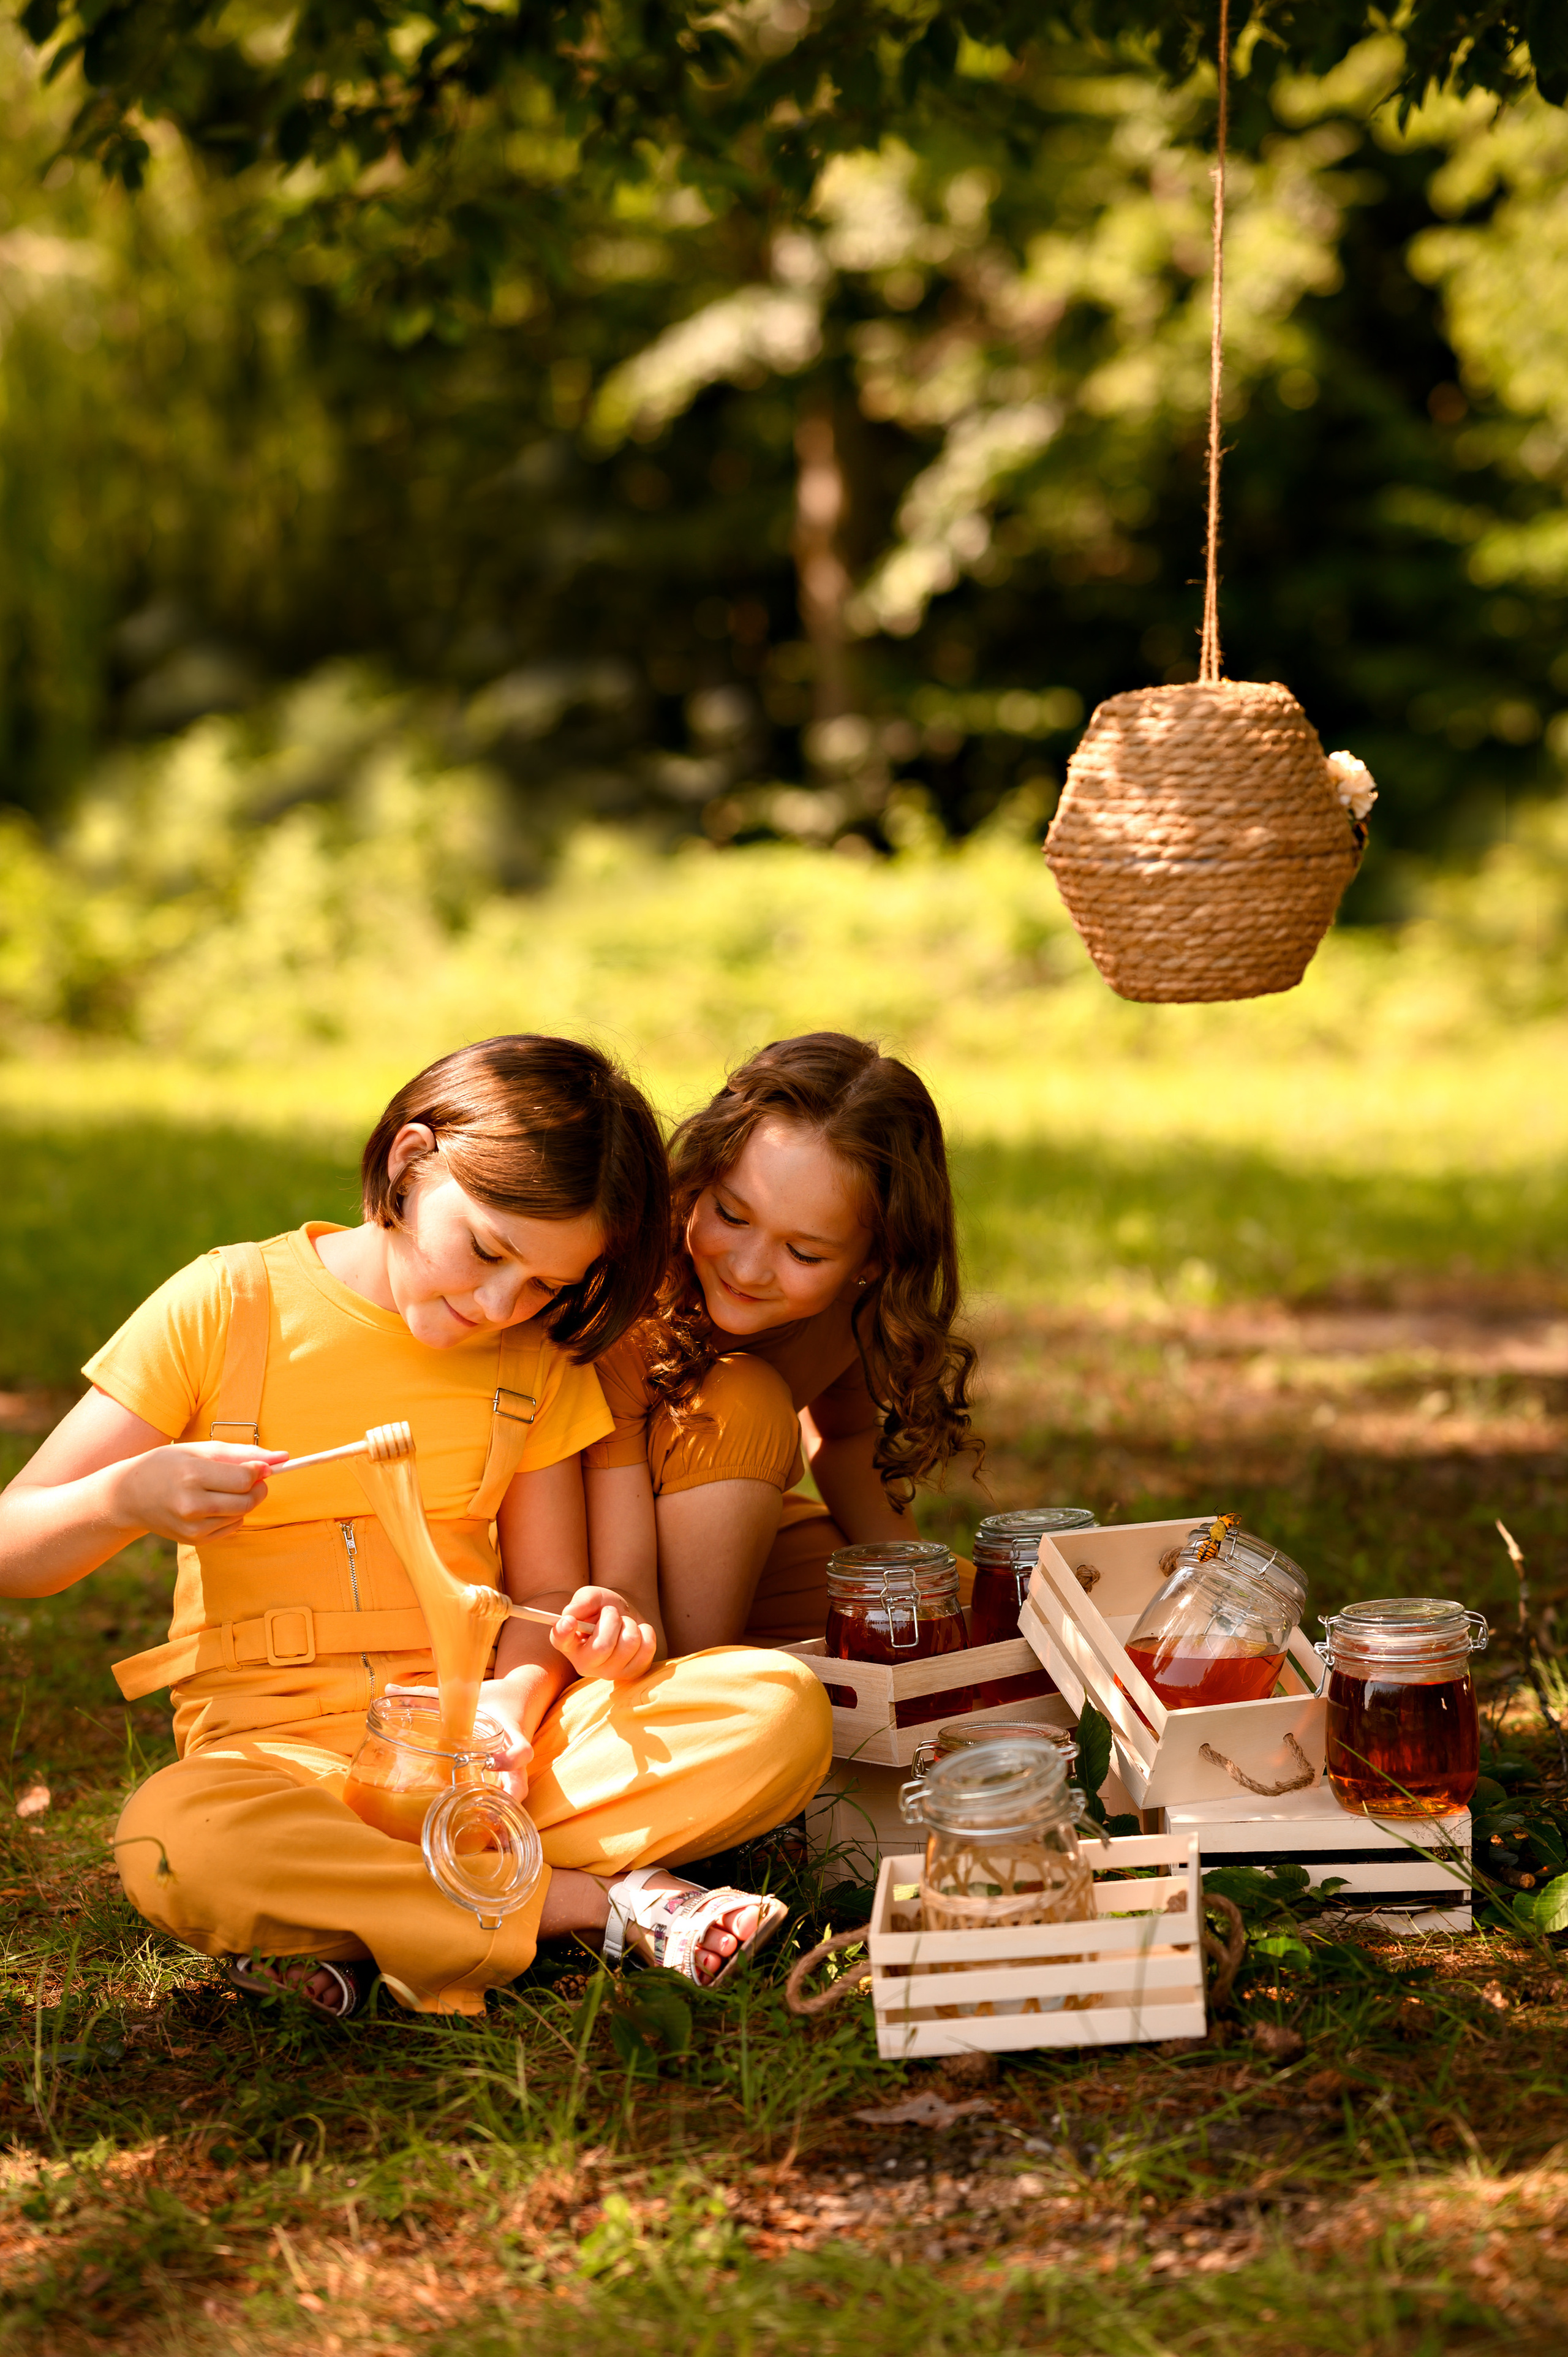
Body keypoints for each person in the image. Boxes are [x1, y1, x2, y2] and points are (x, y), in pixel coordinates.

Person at [0, 1036, 831, 2019]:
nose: (498, 1304)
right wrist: (123, 1497)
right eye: (486, 1249)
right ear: (409, 1159)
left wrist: (513, 1703)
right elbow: (14, 1545)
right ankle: (602, 1905)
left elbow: (546, 1591)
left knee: (775, 1708)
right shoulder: (228, 1305)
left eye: (545, 1285)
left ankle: (362, 1916)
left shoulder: (530, 1357)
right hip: (278, 1764)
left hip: (482, 1763)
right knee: (175, 1837)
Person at [584, 1032, 981, 1652]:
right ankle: (699, 1675)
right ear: (701, 1174)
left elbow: (845, 1438)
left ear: (873, 1261)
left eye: (803, 1253)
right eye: (731, 1214)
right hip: (581, 1566)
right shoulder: (627, 1286)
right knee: (746, 1402)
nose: (747, 1269)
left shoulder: (848, 1309)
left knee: (964, 1610)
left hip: (712, 1543)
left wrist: (918, 1587)